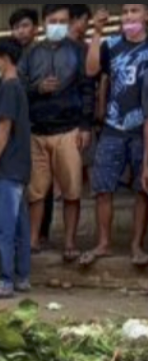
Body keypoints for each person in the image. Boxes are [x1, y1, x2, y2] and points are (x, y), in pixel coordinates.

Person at [20, 5, 94, 262]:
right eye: (54, 21)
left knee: (72, 189)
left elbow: (87, 90)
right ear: (43, 23)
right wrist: (37, 88)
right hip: (37, 131)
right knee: (36, 191)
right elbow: (18, 87)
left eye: (63, 21)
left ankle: (70, 242)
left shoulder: (78, 51)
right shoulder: (31, 54)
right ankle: (32, 240)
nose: (58, 26)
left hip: (68, 130)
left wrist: (85, 126)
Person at [84, 5, 148, 267]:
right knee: (102, 187)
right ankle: (104, 243)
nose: (128, 16)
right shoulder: (110, 44)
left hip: (143, 129)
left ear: (146, 16)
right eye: (124, 12)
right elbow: (91, 71)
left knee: (144, 190)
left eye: (135, 11)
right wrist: (97, 32)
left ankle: (137, 245)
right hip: (112, 127)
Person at [0, 38, 33, 301]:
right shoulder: (17, 87)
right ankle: (22, 277)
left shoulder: (9, 88)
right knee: (21, 225)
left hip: (7, 167)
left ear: (5, 59)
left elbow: (4, 127)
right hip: (20, 167)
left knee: (4, 227)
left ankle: (5, 280)